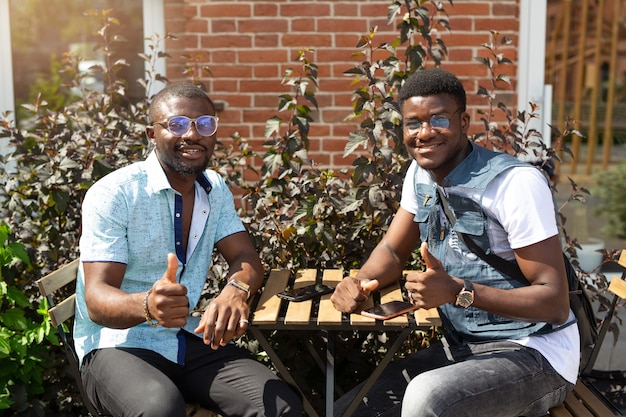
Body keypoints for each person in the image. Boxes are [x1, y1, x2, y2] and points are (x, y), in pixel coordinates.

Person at [331, 68, 579, 417]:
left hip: (535, 352)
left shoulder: (515, 184)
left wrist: (458, 291)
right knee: (351, 410)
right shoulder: (420, 174)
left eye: (439, 119)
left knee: (426, 400)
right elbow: (392, 250)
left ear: (464, 121)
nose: (424, 133)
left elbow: (554, 302)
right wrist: (360, 282)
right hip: (463, 348)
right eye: (413, 123)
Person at [74, 82, 302, 417]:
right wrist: (148, 305)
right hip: (115, 346)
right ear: (152, 134)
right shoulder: (114, 194)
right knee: (160, 409)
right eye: (177, 124)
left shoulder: (214, 188)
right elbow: (96, 299)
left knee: (280, 408)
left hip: (184, 338)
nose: (193, 135)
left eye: (205, 124)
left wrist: (235, 291)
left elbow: (245, 257)